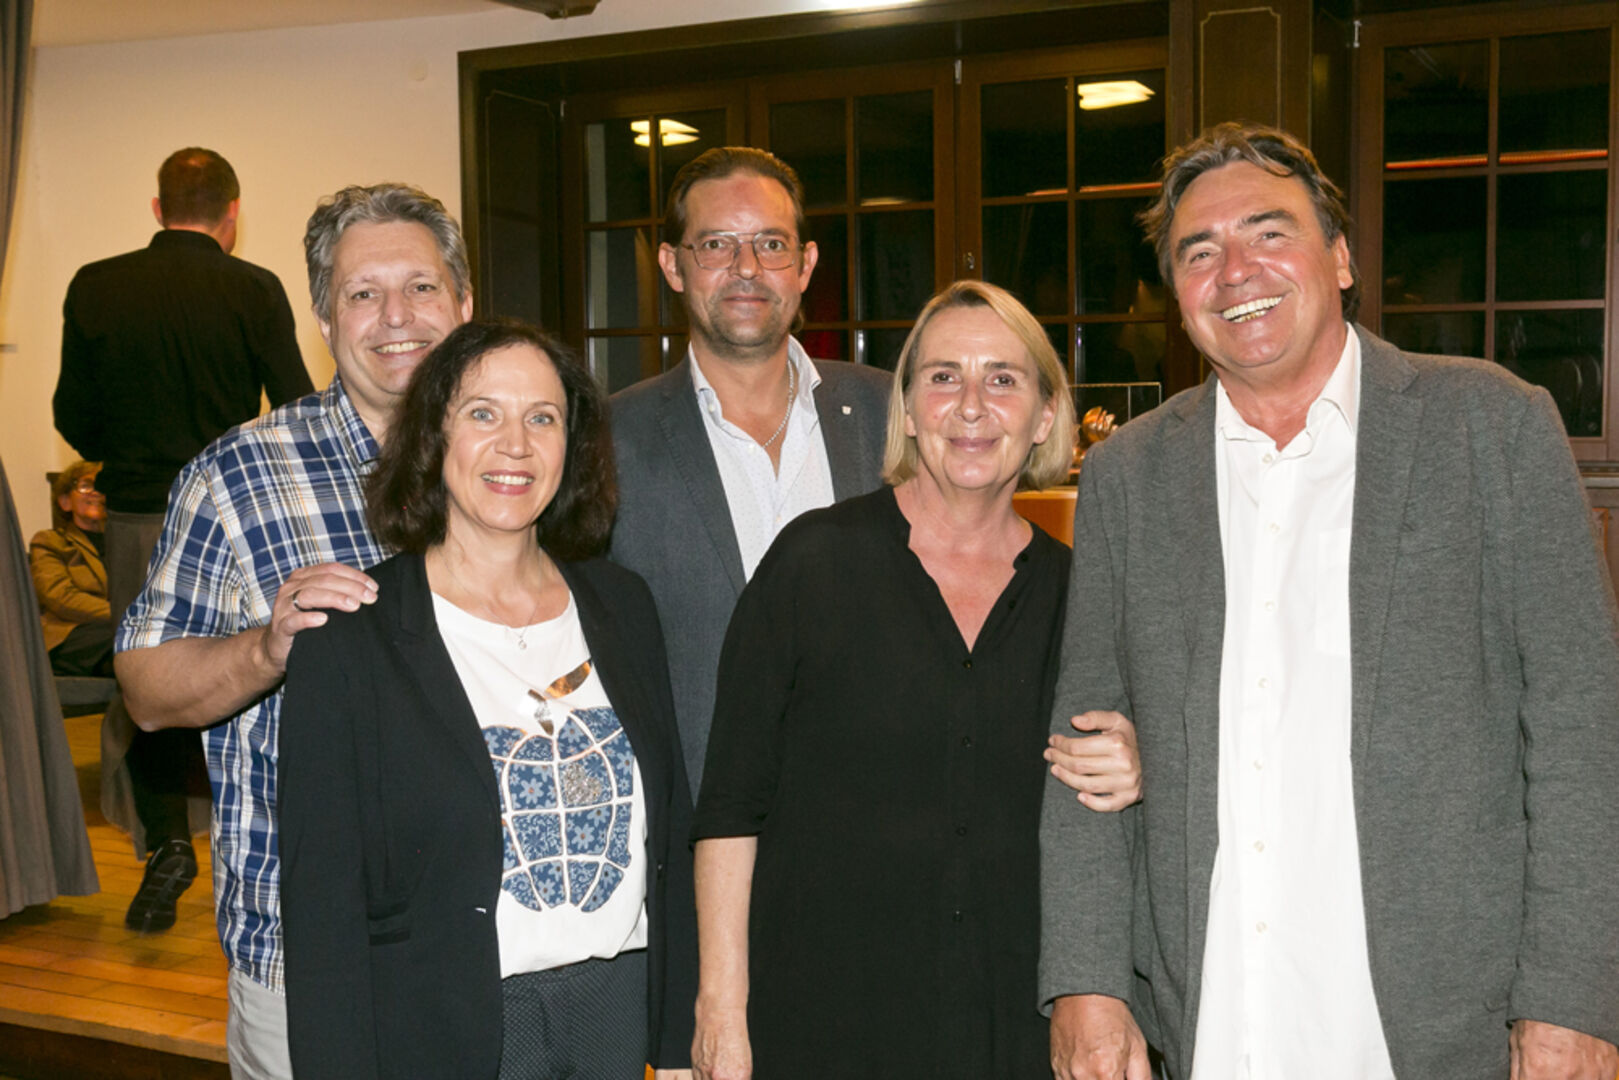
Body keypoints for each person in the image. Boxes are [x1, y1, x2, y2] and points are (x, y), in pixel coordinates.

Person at [1038, 122, 1619, 1080]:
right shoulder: (1129, 476)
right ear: (1176, 293)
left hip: (1439, 1027)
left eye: (1268, 233)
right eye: (1198, 252)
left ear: (1340, 259)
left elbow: (1581, 729)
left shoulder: (1491, 425)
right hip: (1215, 1019)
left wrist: (1569, 999)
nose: (1235, 271)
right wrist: (1087, 985)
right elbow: (1085, 748)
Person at [690, 281, 1140, 1080]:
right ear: (905, 410)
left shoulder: (1081, 595)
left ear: (1044, 416)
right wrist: (720, 1011)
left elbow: (1111, 811)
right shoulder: (811, 564)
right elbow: (730, 805)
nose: (970, 406)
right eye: (942, 377)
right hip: (823, 1023)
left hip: (1011, 1024)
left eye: (1002, 378)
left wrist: (1138, 768)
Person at [115, 183, 473, 1080]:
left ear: (464, 303)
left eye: (421, 287)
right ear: (323, 318)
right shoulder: (238, 474)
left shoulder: (521, 461)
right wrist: (266, 649)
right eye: (363, 293)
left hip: (500, 942)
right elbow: (146, 693)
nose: (397, 317)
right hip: (312, 956)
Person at [279, 319, 696, 1080]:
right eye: (483, 413)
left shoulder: (622, 605)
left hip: (616, 1008)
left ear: (573, 446)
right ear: (432, 438)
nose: (516, 445)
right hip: (448, 1024)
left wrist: (675, 1042)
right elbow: (322, 911)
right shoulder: (349, 640)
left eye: (542, 418)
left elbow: (670, 836)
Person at [54, 147, 312, 933]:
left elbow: (73, 415)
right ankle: (261, 843)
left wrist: (130, 454)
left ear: (157, 208)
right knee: (251, 667)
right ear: (231, 215)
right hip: (234, 511)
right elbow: (294, 401)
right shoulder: (254, 287)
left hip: (138, 512)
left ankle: (167, 838)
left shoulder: (95, 284)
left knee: (148, 677)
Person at [610, 146, 890, 795]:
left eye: (770, 244)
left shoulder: (891, 414)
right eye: (715, 245)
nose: (746, 268)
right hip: (697, 815)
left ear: (805, 265)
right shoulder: (606, 440)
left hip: (879, 806)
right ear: (672, 266)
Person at [29, 461, 112, 677]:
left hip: (114, 631)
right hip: (70, 634)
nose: (95, 492)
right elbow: (60, 597)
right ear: (65, 501)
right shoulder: (49, 541)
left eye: (100, 486)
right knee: (125, 638)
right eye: (85, 485)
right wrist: (122, 614)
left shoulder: (124, 544)